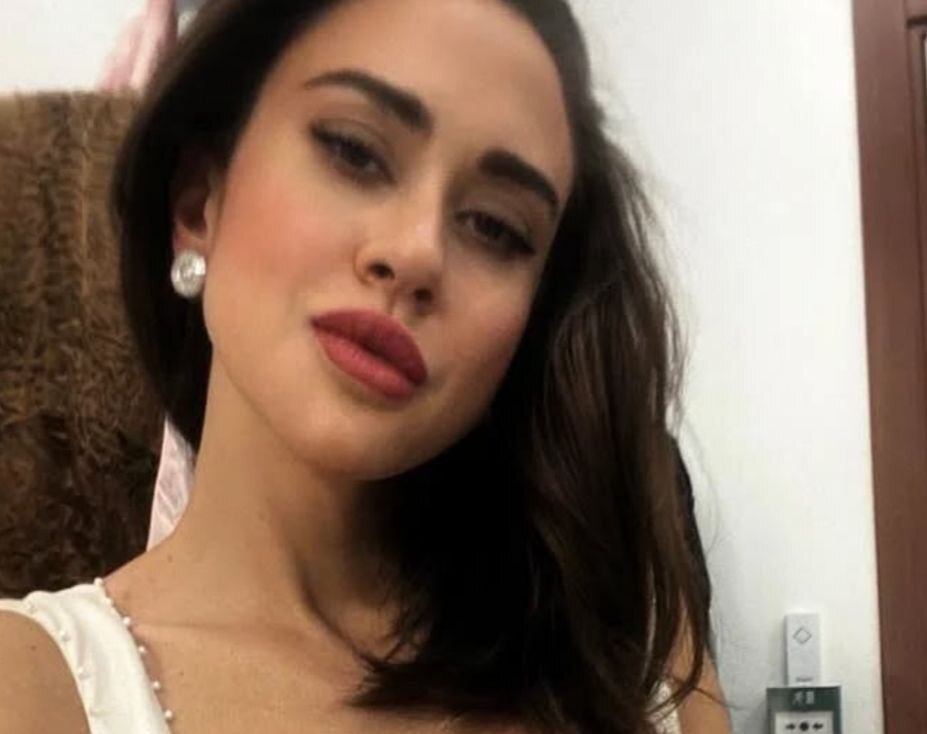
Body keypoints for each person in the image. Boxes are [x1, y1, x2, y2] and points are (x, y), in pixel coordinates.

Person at [0, 0, 731, 731]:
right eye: (354, 151)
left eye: (496, 226)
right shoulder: (30, 682)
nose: (416, 252)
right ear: (199, 203)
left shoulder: (634, 663)